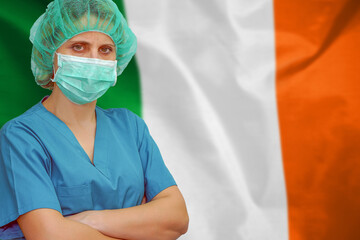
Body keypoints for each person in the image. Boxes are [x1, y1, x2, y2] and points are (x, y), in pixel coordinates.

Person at [0, 0, 189, 239]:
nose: (93, 59)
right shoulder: (21, 136)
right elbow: (49, 235)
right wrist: (141, 222)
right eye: (78, 47)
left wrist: (86, 219)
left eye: (105, 50)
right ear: (51, 54)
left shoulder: (130, 127)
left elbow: (177, 218)